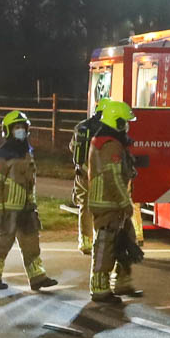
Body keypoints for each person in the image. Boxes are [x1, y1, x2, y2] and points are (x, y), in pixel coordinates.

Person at [0, 111, 57, 292]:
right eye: (17, 127)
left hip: (26, 208)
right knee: (3, 243)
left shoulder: (27, 153)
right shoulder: (2, 156)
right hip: (8, 209)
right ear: (8, 131)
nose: (21, 131)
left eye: (23, 127)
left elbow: (30, 183)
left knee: (31, 243)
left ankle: (37, 277)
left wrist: (32, 204)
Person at [87, 100, 142, 305]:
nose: (127, 127)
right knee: (106, 244)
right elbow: (113, 178)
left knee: (127, 240)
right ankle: (100, 288)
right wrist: (125, 202)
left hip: (111, 202)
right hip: (108, 203)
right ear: (116, 122)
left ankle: (122, 282)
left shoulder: (109, 141)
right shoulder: (110, 145)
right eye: (125, 122)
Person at [69, 107, 104, 255]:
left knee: (85, 206)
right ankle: (101, 240)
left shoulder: (81, 126)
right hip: (101, 172)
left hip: (83, 171)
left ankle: (85, 242)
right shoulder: (109, 129)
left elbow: (72, 147)